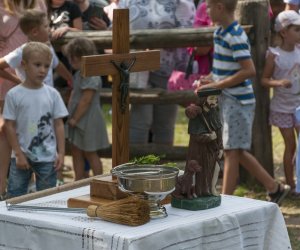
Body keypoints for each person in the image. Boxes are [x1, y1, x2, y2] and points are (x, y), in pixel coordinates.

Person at [195, 0, 290, 204]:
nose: (207, 11)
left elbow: (249, 70)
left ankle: (225, 200)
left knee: (231, 151)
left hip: (239, 101)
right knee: (235, 149)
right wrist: (210, 79)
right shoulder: (219, 33)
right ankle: (274, 188)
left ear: (220, 7)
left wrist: (218, 86)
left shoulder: (235, 36)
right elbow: (222, 68)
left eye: (209, 7)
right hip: (228, 99)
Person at [0, 8, 71, 199]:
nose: (43, 70)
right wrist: (18, 82)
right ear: (34, 31)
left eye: (45, 66)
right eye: (47, 26)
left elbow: (58, 65)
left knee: (46, 195)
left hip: (44, 105)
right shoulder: (21, 52)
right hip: (25, 108)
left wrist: (71, 79)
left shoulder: (47, 49)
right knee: (16, 192)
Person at [118, 0, 196, 145]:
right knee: (139, 121)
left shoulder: (181, 2)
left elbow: (188, 33)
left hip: (168, 72)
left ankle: (163, 166)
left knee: (164, 124)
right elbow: (115, 30)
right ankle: (137, 166)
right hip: (136, 69)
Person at [261, 10, 300, 197]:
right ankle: (291, 184)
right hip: (282, 109)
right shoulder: (274, 55)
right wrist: (278, 82)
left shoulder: (299, 52)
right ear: (284, 32)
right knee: (290, 145)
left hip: (298, 107)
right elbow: (264, 79)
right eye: (297, 29)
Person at [64, 37, 109, 180]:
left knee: (90, 152)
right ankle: (78, 180)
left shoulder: (92, 76)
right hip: (77, 118)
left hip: (87, 118)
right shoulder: (79, 74)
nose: (70, 61)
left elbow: (86, 100)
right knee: (76, 150)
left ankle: (100, 181)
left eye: (73, 57)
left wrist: (75, 119)